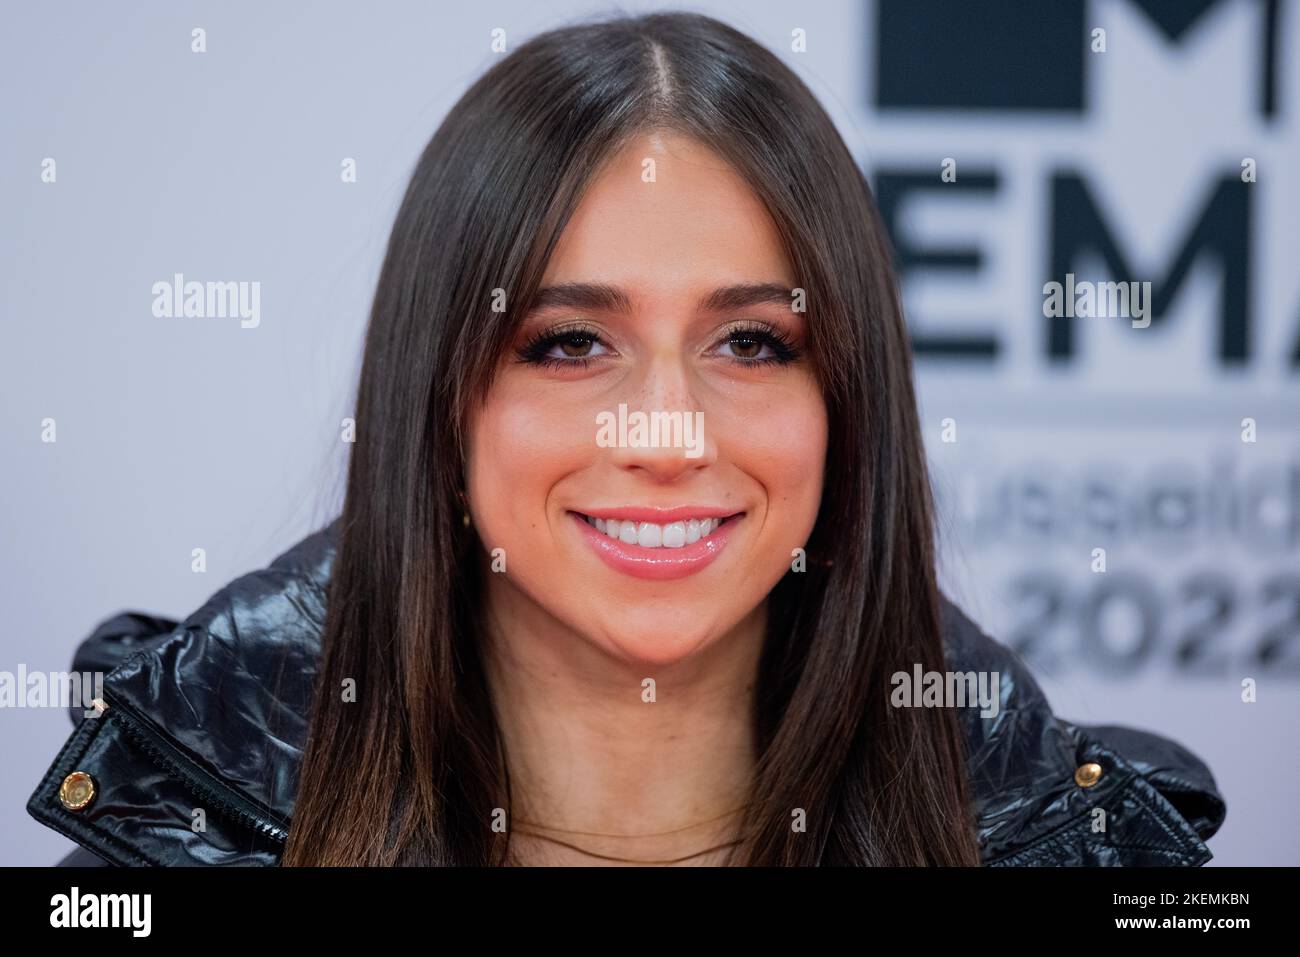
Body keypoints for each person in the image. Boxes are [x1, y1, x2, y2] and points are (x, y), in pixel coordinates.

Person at [28, 11, 1224, 866]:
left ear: (848, 404)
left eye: (752, 343)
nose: (666, 433)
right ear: (437, 403)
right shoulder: (170, 836)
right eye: (567, 344)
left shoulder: (1083, 853)